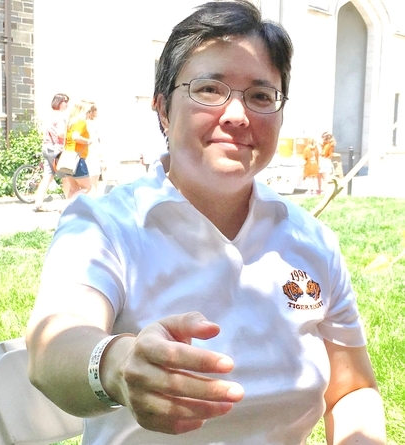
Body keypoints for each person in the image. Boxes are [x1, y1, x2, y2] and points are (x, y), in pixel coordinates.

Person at [26, 2, 386, 444]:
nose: (237, 115)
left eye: (260, 95)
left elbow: (352, 390)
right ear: (163, 110)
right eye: (209, 89)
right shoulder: (104, 225)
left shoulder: (313, 242)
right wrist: (118, 365)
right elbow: (52, 348)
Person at [32, 93, 69, 212]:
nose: (67, 104)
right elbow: (60, 133)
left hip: (47, 147)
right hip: (56, 149)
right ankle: (69, 204)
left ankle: (38, 203)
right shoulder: (60, 117)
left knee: (47, 176)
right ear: (59, 103)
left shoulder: (49, 115)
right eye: (65, 101)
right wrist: (70, 136)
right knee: (66, 177)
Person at [61, 100, 94, 202]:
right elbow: (76, 137)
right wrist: (87, 141)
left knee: (74, 188)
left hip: (66, 157)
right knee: (87, 187)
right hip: (77, 159)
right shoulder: (81, 123)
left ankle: (67, 210)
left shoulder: (70, 123)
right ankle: (66, 205)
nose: (89, 113)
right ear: (82, 111)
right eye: (88, 111)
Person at [85, 105, 104, 198]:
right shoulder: (92, 124)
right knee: (93, 183)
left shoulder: (84, 123)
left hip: (86, 154)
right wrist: (101, 159)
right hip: (92, 154)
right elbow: (96, 142)